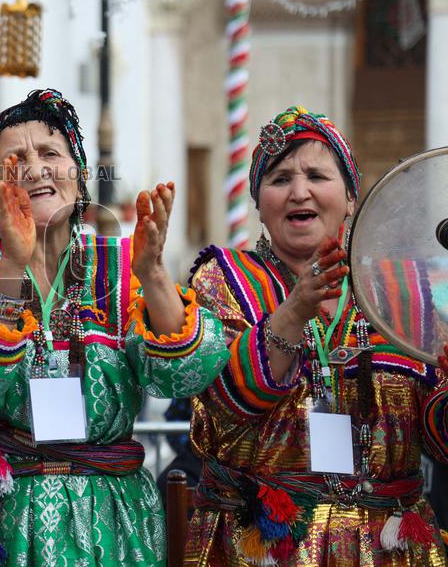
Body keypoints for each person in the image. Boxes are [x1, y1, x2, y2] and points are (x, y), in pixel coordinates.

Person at [0, 89, 230, 565]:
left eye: (50, 154)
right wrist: (13, 265)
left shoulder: (122, 264)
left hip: (108, 522)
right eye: (14, 162)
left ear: (78, 179)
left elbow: (185, 377)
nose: (35, 169)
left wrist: (154, 273)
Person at [185, 106, 448, 565]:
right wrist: (294, 312)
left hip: (388, 544)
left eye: (316, 175)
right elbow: (224, 403)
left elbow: (439, 439)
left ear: (351, 197)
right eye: (280, 178)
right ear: (260, 203)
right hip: (264, 542)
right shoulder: (223, 280)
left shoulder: (404, 289)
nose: (299, 191)